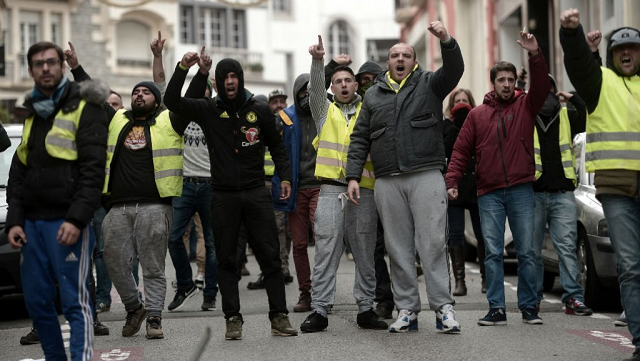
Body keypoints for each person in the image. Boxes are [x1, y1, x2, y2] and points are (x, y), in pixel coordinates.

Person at [164, 47, 298, 340]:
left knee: (270, 257)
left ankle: (279, 317)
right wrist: (186, 69)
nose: (230, 81)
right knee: (225, 259)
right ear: (218, 80)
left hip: (255, 193)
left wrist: (284, 176)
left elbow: (277, 147)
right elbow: (171, 100)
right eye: (224, 76)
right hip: (222, 197)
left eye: (234, 75)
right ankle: (233, 319)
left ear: (241, 78)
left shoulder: (259, 109)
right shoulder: (209, 109)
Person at [346, 21, 463, 334]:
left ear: (414, 61)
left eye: (406, 56)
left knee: (433, 244)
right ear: (388, 63)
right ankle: (407, 310)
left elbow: (454, 71)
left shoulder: (429, 84)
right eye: (395, 55)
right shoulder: (372, 96)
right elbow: (359, 138)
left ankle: (443, 309)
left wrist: (446, 41)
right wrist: (353, 176)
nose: (400, 60)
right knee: (397, 248)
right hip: (387, 180)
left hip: (425, 174)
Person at [6, 41, 108, 361]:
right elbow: (19, 172)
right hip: (32, 225)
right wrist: (15, 220)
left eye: (51, 62)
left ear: (62, 67)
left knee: (75, 303)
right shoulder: (32, 111)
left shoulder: (84, 105)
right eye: (38, 64)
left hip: (67, 223)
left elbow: (94, 172)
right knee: (37, 303)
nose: (46, 68)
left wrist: (76, 219)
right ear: (30, 70)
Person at [445, 30, 549, 326]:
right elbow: (461, 151)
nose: (506, 84)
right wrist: (452, 182)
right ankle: (497, 309)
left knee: (527, 251)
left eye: (511, 80)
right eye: (501, 80)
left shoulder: (527, 106)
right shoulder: (478, 115)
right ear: (493, 83)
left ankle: (529, 307)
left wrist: (535, 53)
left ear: (516, 83)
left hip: (520, 189)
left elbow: (542, 85)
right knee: (491, 252)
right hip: (488, 191)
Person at [559, 8, 640, 360]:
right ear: (610, 55)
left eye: (634, 48)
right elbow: (578, 64)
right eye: (620, 48)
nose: (627, 53)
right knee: (631, 266)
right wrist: (572, 33)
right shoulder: (600, 83)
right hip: (616, 190)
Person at [300, 35, 387, 333]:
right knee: (326, 251)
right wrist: (319, 62)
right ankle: (320, 310)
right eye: (338, 82)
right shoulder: (324, 112)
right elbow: (314, 92)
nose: (344, 85)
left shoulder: (370, 108)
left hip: (363, 190)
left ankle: (366, 308)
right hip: (330, 191)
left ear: (356, 84)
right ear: (333, 87)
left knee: (365, 249)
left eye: (348, 80)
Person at [102, 64, 190, 341]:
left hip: (155, 205)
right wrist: (75, 66)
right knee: (114, 262)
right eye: (136, 92)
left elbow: (184, 95)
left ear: (157, 100)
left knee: (152, 267)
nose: (139, 95)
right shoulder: (116, 119)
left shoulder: (169, 120)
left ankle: (154, 317)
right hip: (118, 206)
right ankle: (134, 308)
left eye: (146, 92)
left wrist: (187, 70)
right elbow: (93, 96)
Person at [530, 74, 592, 316]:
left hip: (562, 193)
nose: (546, 94)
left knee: (566, 247)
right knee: (532, 251)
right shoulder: (526, 116)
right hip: (533, 192)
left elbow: (588, 116)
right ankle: (532, 300)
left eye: (550, 89)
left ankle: (573, 299)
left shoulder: (568, 115)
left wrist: (573, 98)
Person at [167, 71, 219, 313]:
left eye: (205, 92)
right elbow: (163, 91)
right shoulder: (179, 118)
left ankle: (210, 293)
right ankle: (186, 285)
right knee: (174, 237)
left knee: (211, 242)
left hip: (210, 186)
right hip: (184, 185)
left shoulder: (216, 116)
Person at [271, 73, 321, 313]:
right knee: (299, 244)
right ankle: (306, 292)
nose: (307, 96)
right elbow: (278, 153)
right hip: (297, 189)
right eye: (303, 91)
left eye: (311, 91)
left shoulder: (326, 114)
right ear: (296, 92)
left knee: (323, 240)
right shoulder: (285, 117)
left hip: (322, 185)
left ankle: (323, 291)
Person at [248, 88, 295, 289]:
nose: (278, 105)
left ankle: (280, 269)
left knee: (285, 229)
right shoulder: (264, 123)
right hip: (265, 181)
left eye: (281, 101)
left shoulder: (290, 124)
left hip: (283, 182)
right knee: (273, 228)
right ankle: (278, 269)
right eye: (274, 102)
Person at [442, 88, 486, 296]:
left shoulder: (480, 123)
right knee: (456, 235)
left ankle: (487, 279)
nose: (461, 104)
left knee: (483, 235)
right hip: (455, 187)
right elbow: (446, 151)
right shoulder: (446, 127)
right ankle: (460, 281)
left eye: (465, 100)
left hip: (478, 186)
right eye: (457, 101)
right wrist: (455, 126)